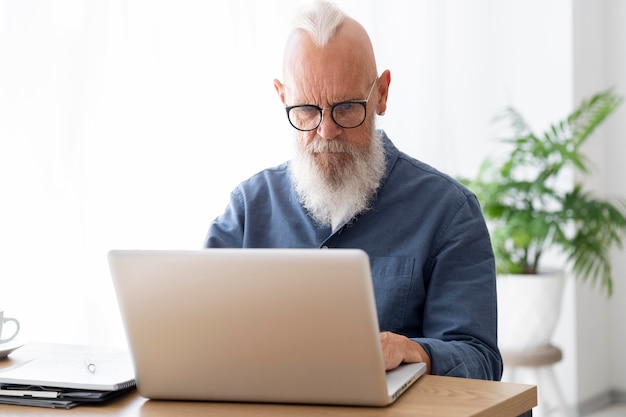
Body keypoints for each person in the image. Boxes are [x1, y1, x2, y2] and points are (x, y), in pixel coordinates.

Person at [205, 0, 502, 381]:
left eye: (346, 108)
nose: (326, 131)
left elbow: (481, 361)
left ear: (381, 94)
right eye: (307, 110)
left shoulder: (449, 212)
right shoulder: (249, 209)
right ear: (282, 97)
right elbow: (199, 335)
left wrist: (414, 351)